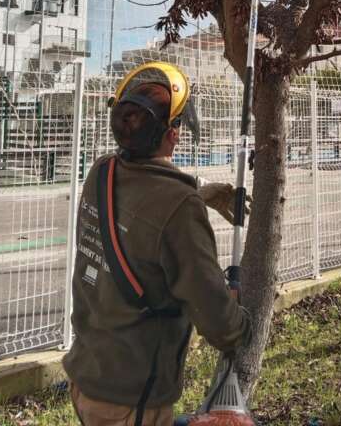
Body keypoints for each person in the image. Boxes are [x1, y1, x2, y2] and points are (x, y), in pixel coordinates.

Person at [63, 62, 251, 426]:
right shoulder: (180, 208)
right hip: (131, 400)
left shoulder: (102, 172)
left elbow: (141, 206)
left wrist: (197, 191)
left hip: (86, 374)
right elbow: (220, 324)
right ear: (174, 133)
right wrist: (241, 322)